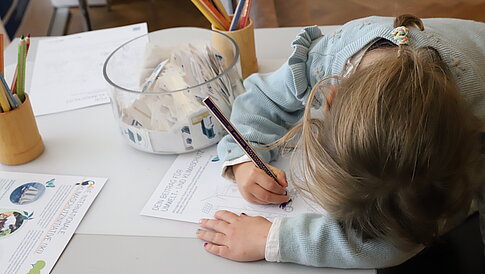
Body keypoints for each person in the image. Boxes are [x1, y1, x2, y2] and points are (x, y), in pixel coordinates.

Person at [196, 15, 485, 267]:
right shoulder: (327, 58)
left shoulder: (469, 112)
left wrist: (274, 239)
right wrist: (245, 160)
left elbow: (394, 243)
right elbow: (262, 99)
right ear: (331, 98)